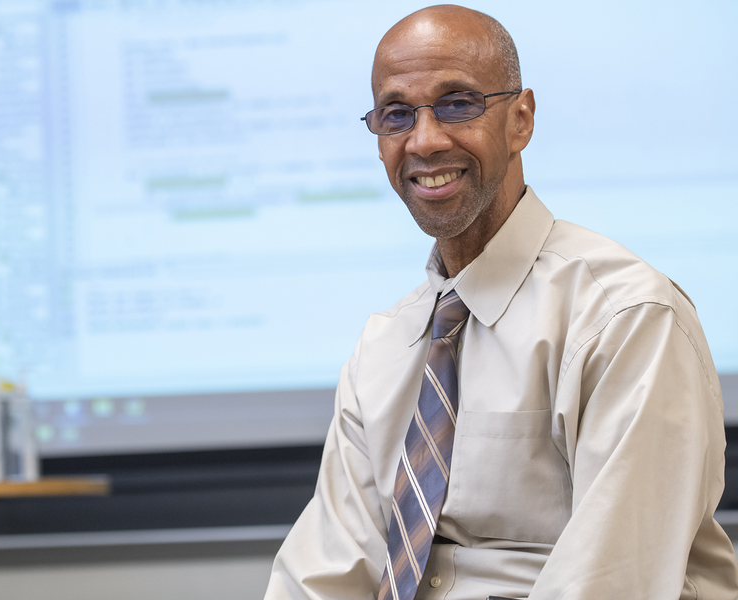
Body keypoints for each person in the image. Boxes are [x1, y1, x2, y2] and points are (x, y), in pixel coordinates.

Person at [264, 5, 738, 599]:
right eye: (397, 115)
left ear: (520, 120)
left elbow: (611, 583)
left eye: (458, 104)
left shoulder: (626, 319)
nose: (425, 140)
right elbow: (323, 576)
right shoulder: (385, 345)